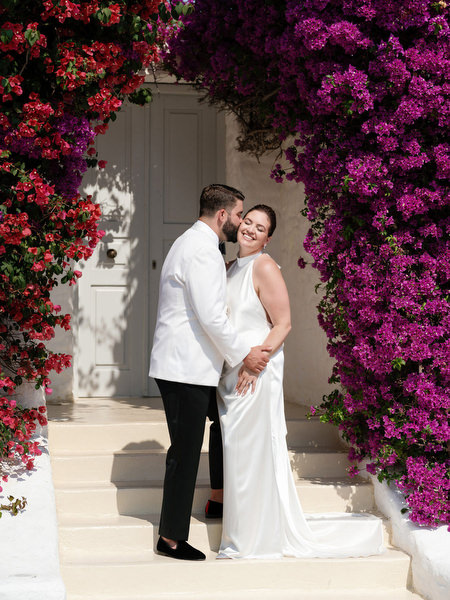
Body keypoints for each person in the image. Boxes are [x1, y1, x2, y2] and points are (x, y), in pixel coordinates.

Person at [217, 204, 384, 559]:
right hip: (234, 370)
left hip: (256, 369)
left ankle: (251, 540)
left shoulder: (263, 266)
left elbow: (284, 323)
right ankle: (244, 530)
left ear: (268, 238)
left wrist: (256, 363)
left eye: (259, 228)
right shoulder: (232, 267)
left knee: (251, 452)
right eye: (247, 222)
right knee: (238, 452)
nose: (250, 230)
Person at [149, 185, 271, 561]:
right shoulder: (201, 250)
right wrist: (244, 357)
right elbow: (212, 316)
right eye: (239, 215)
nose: (240, 223)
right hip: (184, 367)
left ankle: (218, 499)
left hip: (190, 366)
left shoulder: (193, 243)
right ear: (223, 215)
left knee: (222, 423)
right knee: (185, 452)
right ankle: (170, 539)